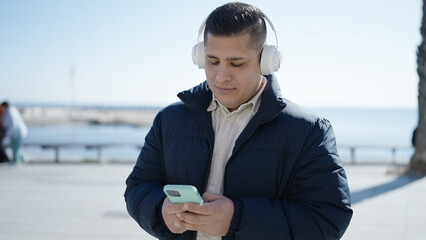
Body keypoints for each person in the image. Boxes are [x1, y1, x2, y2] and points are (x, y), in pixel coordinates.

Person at [125, 2, 352, 240]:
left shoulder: (310, 131)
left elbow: (327, 221)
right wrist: (160, 209)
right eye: (212, 61)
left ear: (266, 61)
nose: (222, 76)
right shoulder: (168, 120)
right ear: (200, 57)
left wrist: (237, 220)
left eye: (237, 63)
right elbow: (138, 188)